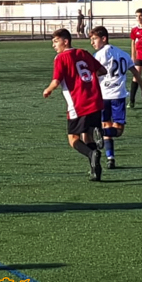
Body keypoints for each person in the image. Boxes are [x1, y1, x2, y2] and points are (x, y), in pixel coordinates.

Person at [43, 29, 107, 181]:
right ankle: (94, 170)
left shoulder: (61, 57)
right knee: (88, 136)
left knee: (73, 139)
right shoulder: (84, 52)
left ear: (65, 41)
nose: (53, 45)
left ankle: (92, 154)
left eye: (56, 41)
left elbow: (56, 81)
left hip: (79, 104)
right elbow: (102, 70)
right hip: (96, 100)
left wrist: (48, 90)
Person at [90, 26, 142, 169]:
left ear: (104, 38)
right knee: (118, 130)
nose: (92, 42)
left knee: (106, 125)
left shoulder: (98, 55)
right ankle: (110, 157)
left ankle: (110, 156)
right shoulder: (123, 54)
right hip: (118, 96)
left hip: (103, 96)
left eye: (94, 39)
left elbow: (92, 75)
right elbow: (135, 73)